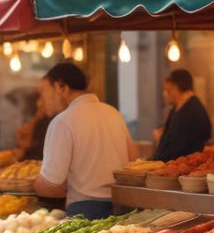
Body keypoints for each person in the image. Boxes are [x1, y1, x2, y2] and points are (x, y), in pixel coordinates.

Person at [33, 63, 137, 219]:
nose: (41, 101)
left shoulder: (63, 122)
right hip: (122, 209)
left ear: (61, 87)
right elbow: (134, 159)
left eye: (43, 92)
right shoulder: (113, 113)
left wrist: (34, 185)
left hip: (85, 213)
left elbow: (50, 186)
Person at [153, 69, 212, 161]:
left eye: (168, 90)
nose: (164, 94)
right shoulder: (177, 107)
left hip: (182, 170)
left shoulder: (193, 110)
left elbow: (178, 149)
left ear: (176, 87)